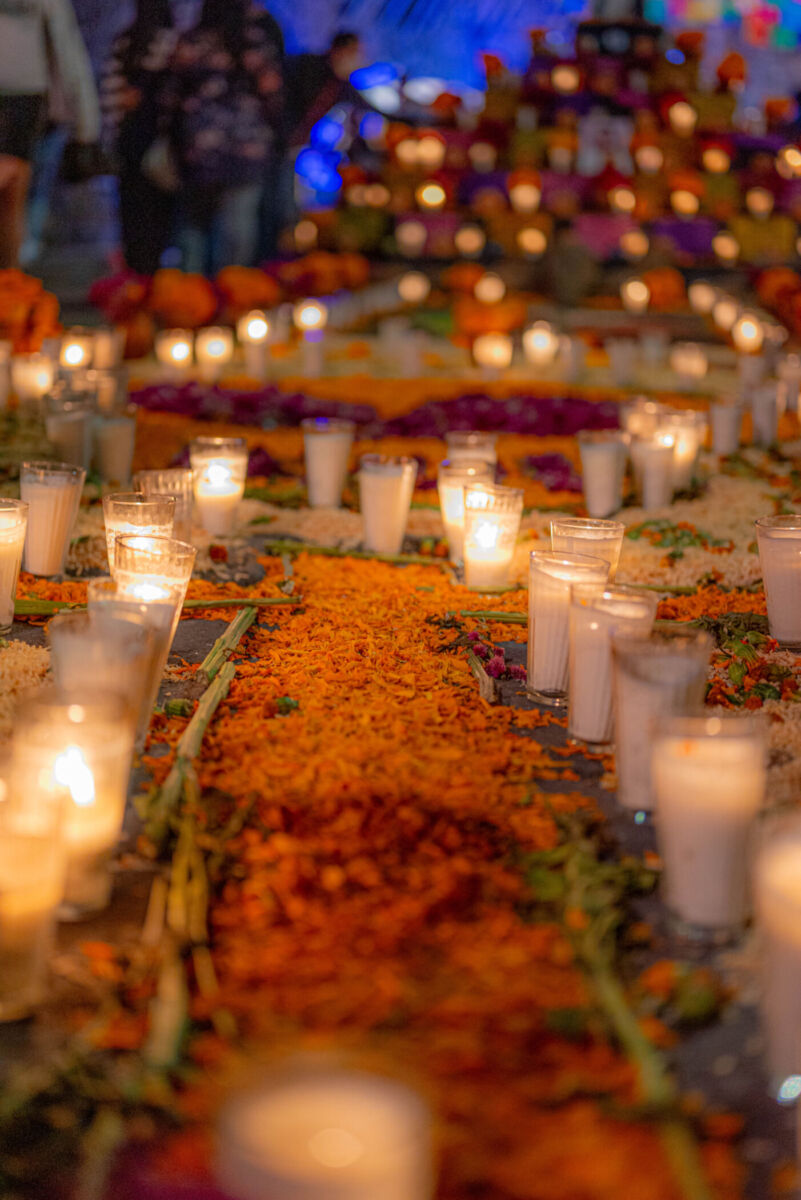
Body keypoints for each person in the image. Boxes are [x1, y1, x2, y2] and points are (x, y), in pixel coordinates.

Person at [161, 0, 284, 274]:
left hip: (199, 154)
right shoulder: (253, 42)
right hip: (246, 152)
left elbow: (170, 97)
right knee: (237, 229)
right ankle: (232, 296)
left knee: (194, 231)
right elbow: (273, 92)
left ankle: (190, 301)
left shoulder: (191, 43)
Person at [0, 0, 100, 268]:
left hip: (26, 99)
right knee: (13, 198)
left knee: (14, 194)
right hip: (27, 95)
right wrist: (86, 124)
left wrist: (86, 122)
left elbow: (67, 45)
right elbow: (68, 47)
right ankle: (11, 285)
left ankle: (11, 289)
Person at [100, 0, 177, 275]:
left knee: (132, 213)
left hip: (129, 140)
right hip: (158, 141)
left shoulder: (125, 41)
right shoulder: (171, 42)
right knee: (156, 215)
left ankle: (136, 277)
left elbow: (111, 98)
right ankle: (152, 277)